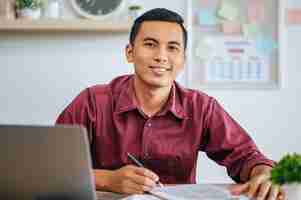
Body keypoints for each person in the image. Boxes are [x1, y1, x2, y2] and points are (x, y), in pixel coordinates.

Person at [56, 8, 284, 200]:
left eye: (172, 48)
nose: (161, 56)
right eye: (150, 44)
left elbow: (246, 156)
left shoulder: (201, 107)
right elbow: (53, 167)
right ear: (130, 52)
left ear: (183, 59)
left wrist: (263, 173)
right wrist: (109, 180)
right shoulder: (92, 102)